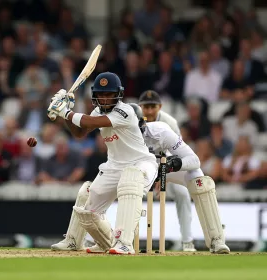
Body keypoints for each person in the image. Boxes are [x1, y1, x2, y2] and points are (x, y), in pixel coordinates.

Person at [47, 72, 158, 255]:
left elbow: (91, 121)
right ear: (95, 95)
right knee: (88, 210)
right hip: (114, 166)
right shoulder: (97, 111)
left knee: (129, 183)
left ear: (118, 94)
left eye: (109, 94)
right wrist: (65, 113)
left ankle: (124, 243)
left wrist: (65, 111)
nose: (105, 99)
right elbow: (79, 133)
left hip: (141, 164)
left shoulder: (125, 111)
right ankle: (79, 241)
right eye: (101, 94)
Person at [131, 103, 230, 254]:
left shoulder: (160, 130)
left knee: (199, 179)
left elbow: (194, 160)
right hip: (136, 170)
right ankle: (115, 240)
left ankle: (216, 239)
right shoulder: (116, 136)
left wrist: (174, 165)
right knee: (115, 183)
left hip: (163, 167)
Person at [138, 90, 196, 251]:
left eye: (152, 107)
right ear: (140, 106)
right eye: (145, 107)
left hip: (166, 164)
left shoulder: (169, 122)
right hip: (142, 164)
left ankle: (187, 241)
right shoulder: (135, 119)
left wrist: (162, 176)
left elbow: (176, 152)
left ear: (160, 107)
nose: (149, 111)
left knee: (182, 193)